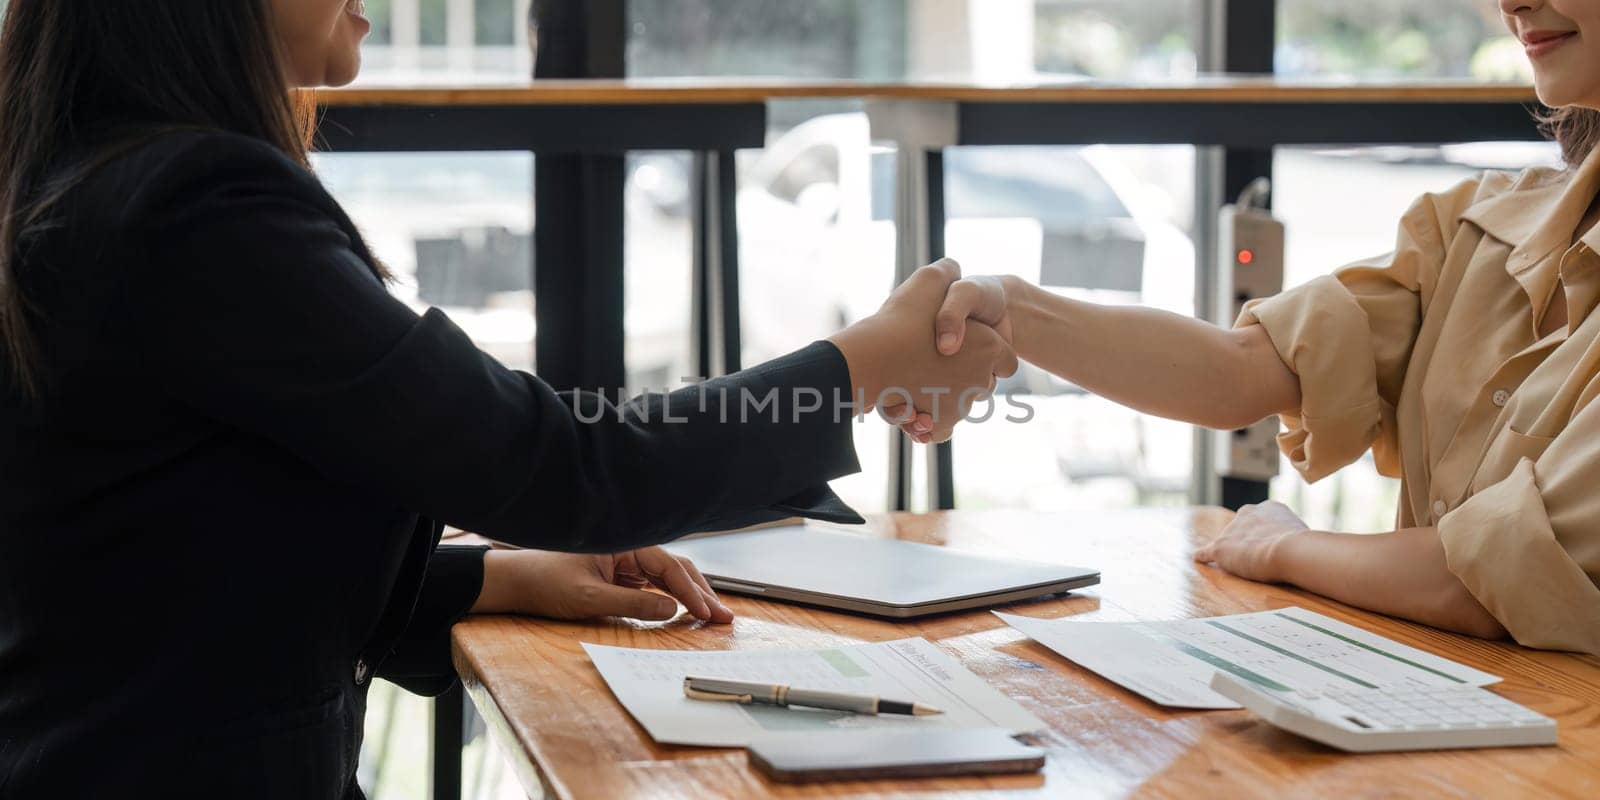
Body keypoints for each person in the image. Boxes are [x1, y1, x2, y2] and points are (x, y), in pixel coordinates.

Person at [0, 1, 1015, 797]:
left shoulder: (94, 182)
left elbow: (175, 569)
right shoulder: (194, 210)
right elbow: (563, 464)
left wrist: (493, 581)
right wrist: (865, 363)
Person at [931, 0, 1600, 659]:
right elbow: (1242, 369)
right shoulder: (1478, 226)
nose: (1513, 2)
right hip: (1450, 714)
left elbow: (1483, 583)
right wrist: (1010, 311)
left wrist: (1284, 547)